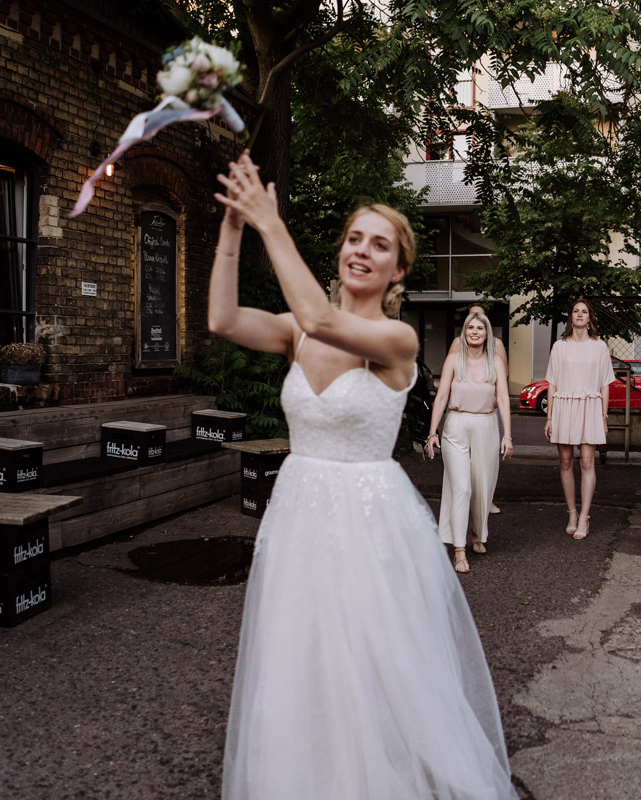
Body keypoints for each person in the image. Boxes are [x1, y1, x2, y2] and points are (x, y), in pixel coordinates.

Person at [209, 153, 516, 799]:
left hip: (369, 520)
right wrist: (236, 227)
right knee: (305, 660)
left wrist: (272, 222)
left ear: (398, 268)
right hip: (298, 515)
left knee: (376, 667)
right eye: (354, 238)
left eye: (380, 245)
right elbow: (223, 320)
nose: (362, 251)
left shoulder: (397, 340)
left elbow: (327, 320)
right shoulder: (296, 331)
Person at [427, 313, 513, 572]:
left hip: (486, 425)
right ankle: (459, 549)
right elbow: (442, 396)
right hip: (455, 426)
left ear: (487, 334)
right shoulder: (454, 359)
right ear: (464, 332)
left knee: (481, 487)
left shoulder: (495, 361)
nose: (475, 332)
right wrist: (433, 433)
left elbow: (503, 398)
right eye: (470, 328)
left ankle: (477, 532)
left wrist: (507, 434)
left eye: (480, 328)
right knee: (461, 487)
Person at [543, 299, 615, 540]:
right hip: (564, 406)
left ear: (589, 317)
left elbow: (605, 384)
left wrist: (603, 416)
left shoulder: (600, 346)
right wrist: (549, 418)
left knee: (586, 462)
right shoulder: (559, 346)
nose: (580, 315)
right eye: (576, 311)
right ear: (570, 317)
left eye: (584, 311)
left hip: (590, 407)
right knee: (565, 462)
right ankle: (571, 513)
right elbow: (552, 383)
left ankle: (585, 516)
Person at [449, 303, 508, 514]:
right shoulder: (458, 343)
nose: (475, 325)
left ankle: (485, 499)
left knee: (485, 461)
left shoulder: (496, 344)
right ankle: (469, 501)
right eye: (471, 319)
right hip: (462, 411)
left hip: (487, 408)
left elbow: (503, 378)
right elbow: (452, 374)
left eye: (480, 319)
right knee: (464, 461)